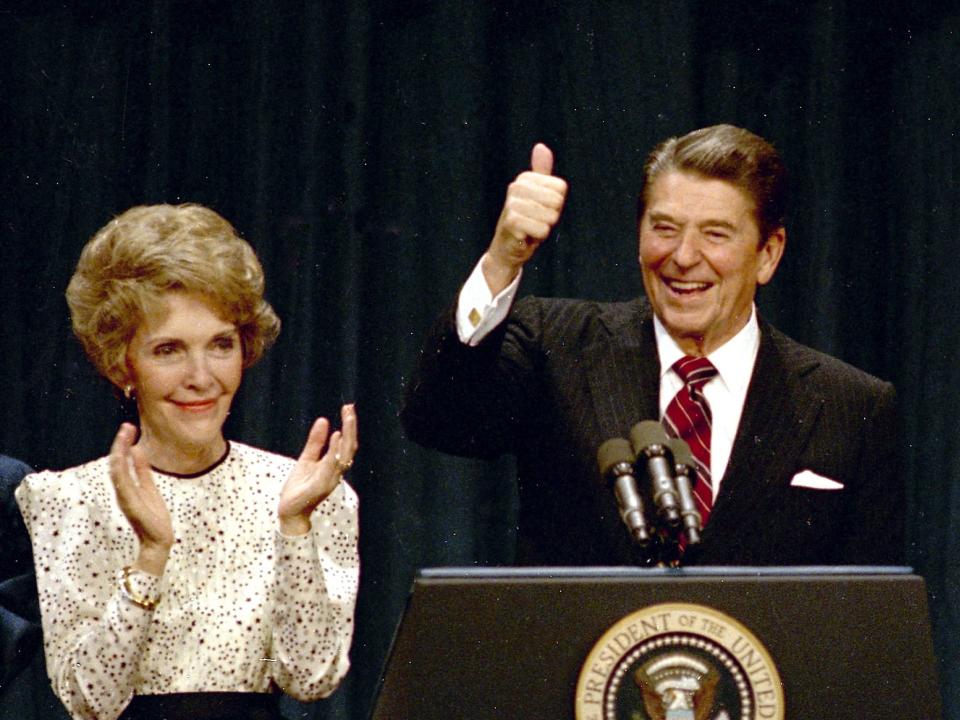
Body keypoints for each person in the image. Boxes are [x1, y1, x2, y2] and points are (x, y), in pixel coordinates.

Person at [400, 124, 902, 567]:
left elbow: (866, 622)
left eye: (715, 234)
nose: (683, 257)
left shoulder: (850, 405)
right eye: (664, 228)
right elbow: (441, 419)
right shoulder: (556, 344)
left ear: (768, 254)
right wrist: (502, 260)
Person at [15, 204, 360, 720]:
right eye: (169, 350)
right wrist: (151, 556)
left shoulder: (307, 492)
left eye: (220, 345)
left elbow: (308, 679)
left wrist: (294, 528)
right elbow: (92, 702)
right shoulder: (64, 500)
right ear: (120, 363)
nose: (201, 377)